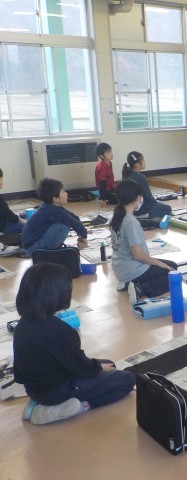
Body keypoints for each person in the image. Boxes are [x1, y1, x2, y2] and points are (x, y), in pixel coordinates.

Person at [13, 263, 135, 425]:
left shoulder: (23, 324)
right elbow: (80, 368)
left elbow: (20, 370)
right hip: (56, 391)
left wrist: (98, 366)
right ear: (58, 294)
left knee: (108, 364)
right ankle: (78, 407)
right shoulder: (58, 330)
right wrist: (97, 368)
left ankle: (36, 403)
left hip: (34, 388)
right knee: (126, 379)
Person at [110, 180, 177, 304]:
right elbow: (138, 255)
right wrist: (159, 263)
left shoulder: (116, 217)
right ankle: (140, 289)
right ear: (137, 198)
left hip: (120, 268)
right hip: (133, 268)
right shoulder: (130, 222)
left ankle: (127, 283)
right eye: (140, 196)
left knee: (168, 265)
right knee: (172, 271)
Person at [21, 178, 88, 256]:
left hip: (33, 245)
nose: (66, 193)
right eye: (63, 192)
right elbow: (73, 222)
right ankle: (51, 252)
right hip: (33, 249)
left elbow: (74, 217)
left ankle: (52, 249)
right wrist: (83, 237)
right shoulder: (52, 211)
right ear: (55, 199)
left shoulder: (51, 206)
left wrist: (80, 236)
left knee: (66, 221)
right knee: (63, 225)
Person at [122, 151, 172, 219]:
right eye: (143, 160)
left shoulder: (128, 176)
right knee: (167, 208)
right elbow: (148, 196)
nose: (144, 162)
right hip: (140, 209)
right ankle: (146, 215)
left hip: (130, 208)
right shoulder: (140, 177)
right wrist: (155, 204)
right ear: (137, 164)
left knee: (160, 204)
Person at [0, 167, 24, 235]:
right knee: (29, 226)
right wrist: (17, 219)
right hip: (4, 227)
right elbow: (7, 214)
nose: (2, 181)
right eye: (0, 178)